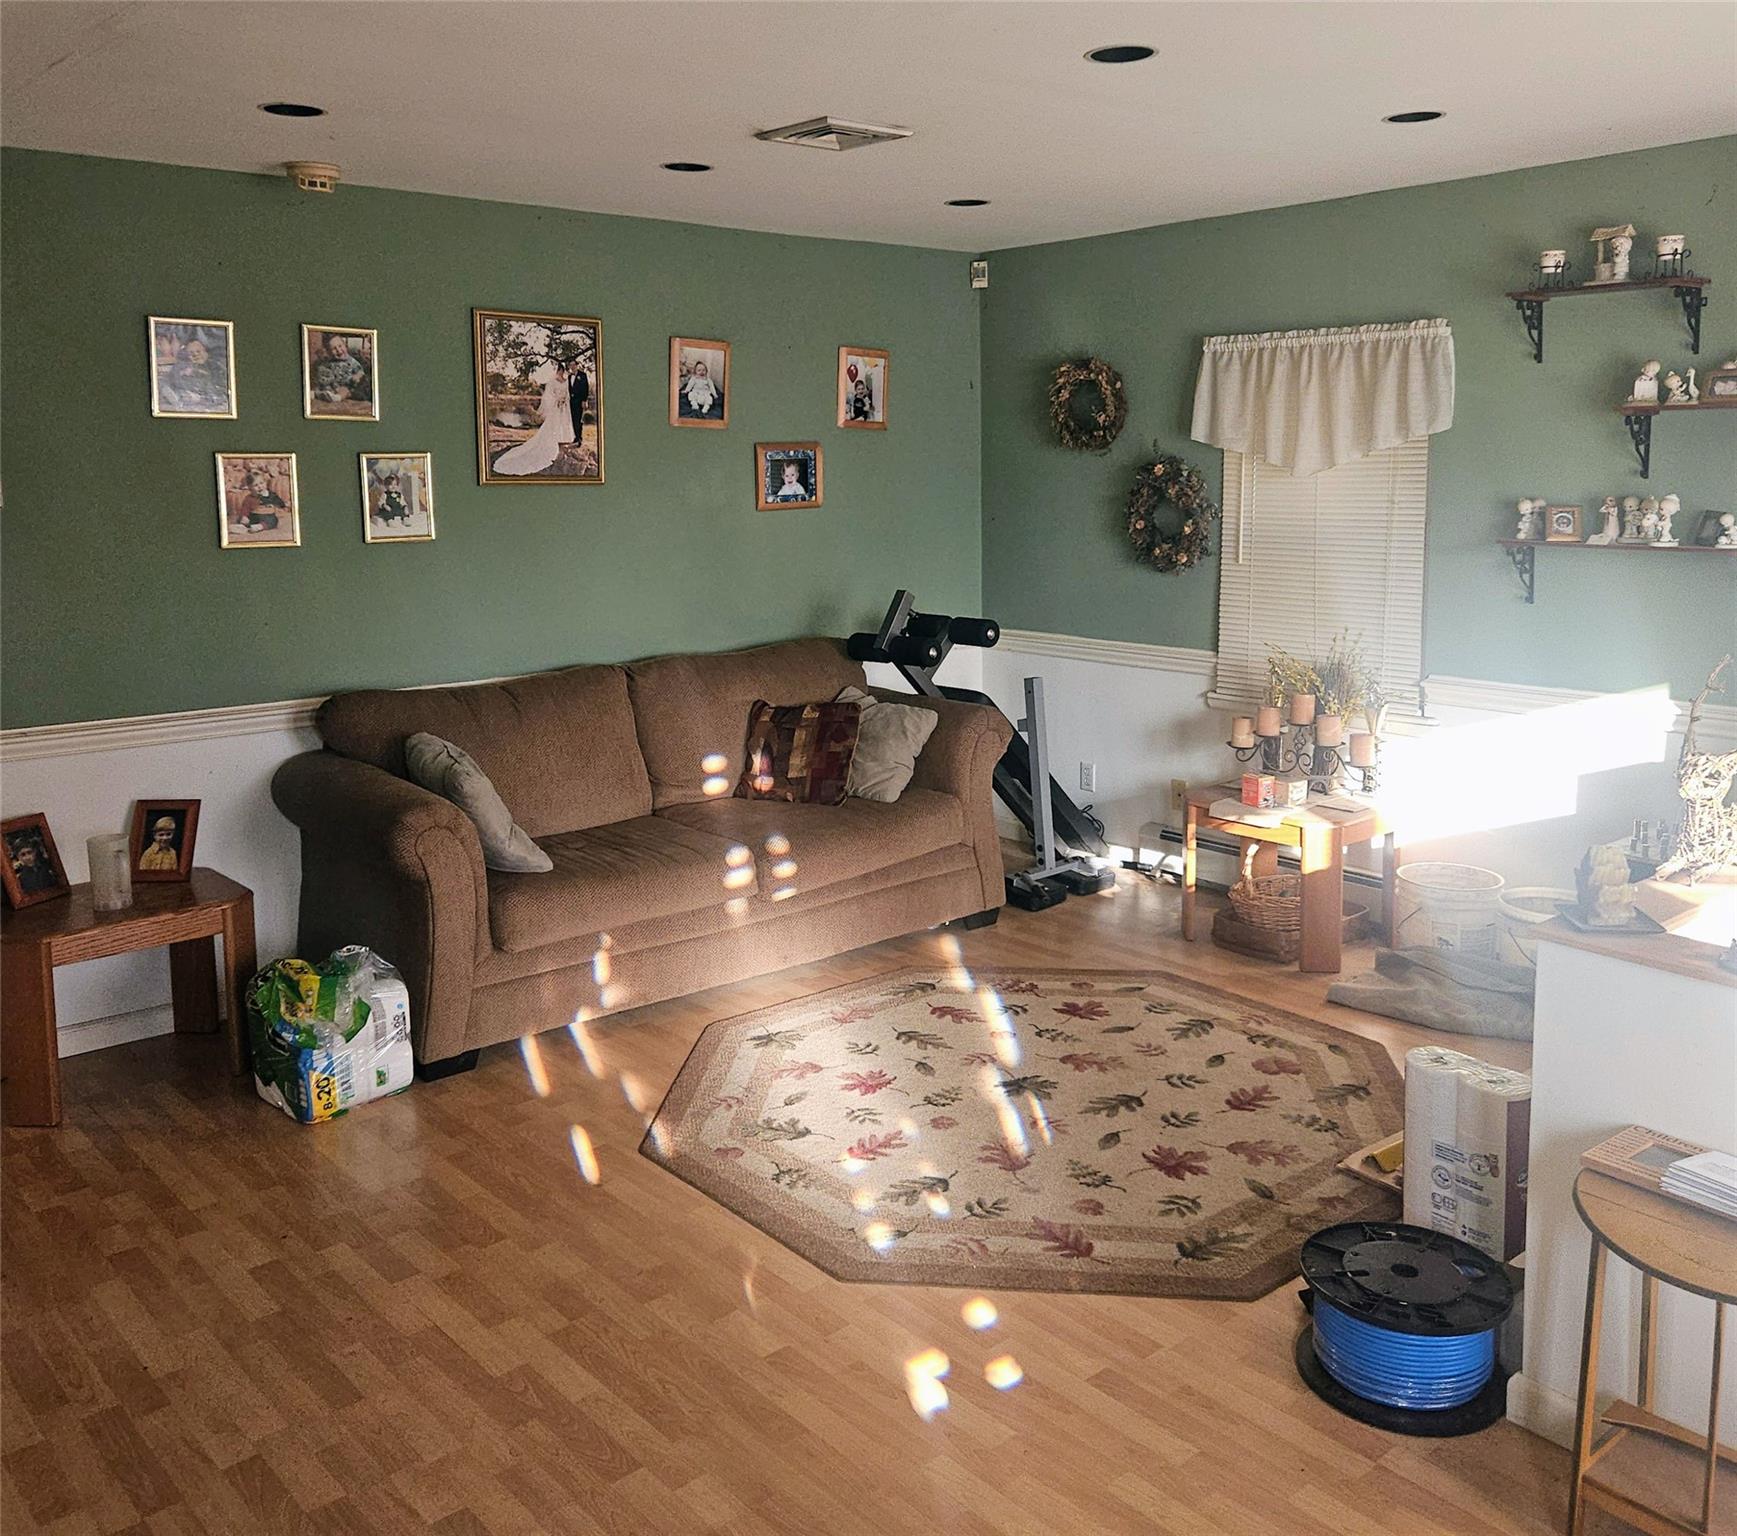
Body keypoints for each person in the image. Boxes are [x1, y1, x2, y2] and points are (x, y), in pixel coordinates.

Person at [493, 363, 571, 475]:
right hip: (556, 405)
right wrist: (557, 400)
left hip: (564, 405)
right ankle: (555, 439)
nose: (561, 372)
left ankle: (563, 437)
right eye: (560, 370)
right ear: (558, 370)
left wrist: (565, 399)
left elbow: (568, 393)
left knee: (563, 421)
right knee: (553, 422)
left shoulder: (567, 381)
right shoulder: (552, 382)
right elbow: (548, 396)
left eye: (562, 370)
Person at [312, 332, 368, 405]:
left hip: (347, 386)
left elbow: (360, 372)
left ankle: (337, 397)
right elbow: (323, 375)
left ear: (345, 346)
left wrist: (358, 376)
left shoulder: (352, 362)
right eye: (334, 349)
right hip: (331, 386)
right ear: (328, 352)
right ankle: (319, 394)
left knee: (347, 391)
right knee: (323, 386)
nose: (338, 350)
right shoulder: (327, 363)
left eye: (340, 346)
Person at [234, 466, 286, 533]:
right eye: (255, 485)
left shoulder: (270, 495)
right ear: (250, 488)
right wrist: (244, 516)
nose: (260, 486)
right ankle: (243, 526)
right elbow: (245, 508)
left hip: (267, 516)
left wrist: (282, 505)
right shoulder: (249, 498)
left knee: (273, 521)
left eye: (261, 483)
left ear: (265, 483)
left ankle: (260, 526)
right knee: (242, 519)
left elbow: (279, 502)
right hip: (254, 515)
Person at [563, 360, 590, 444]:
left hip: (579, 401)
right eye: (570, 365)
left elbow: (586, 388)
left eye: (573, 365)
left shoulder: (583, 375)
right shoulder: (569, 377)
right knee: (573, 420)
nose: (572, 367)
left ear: (577, 365)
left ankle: (579, 438)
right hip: (571, 402)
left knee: (579, 420)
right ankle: (576, 436)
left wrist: (584, 400)